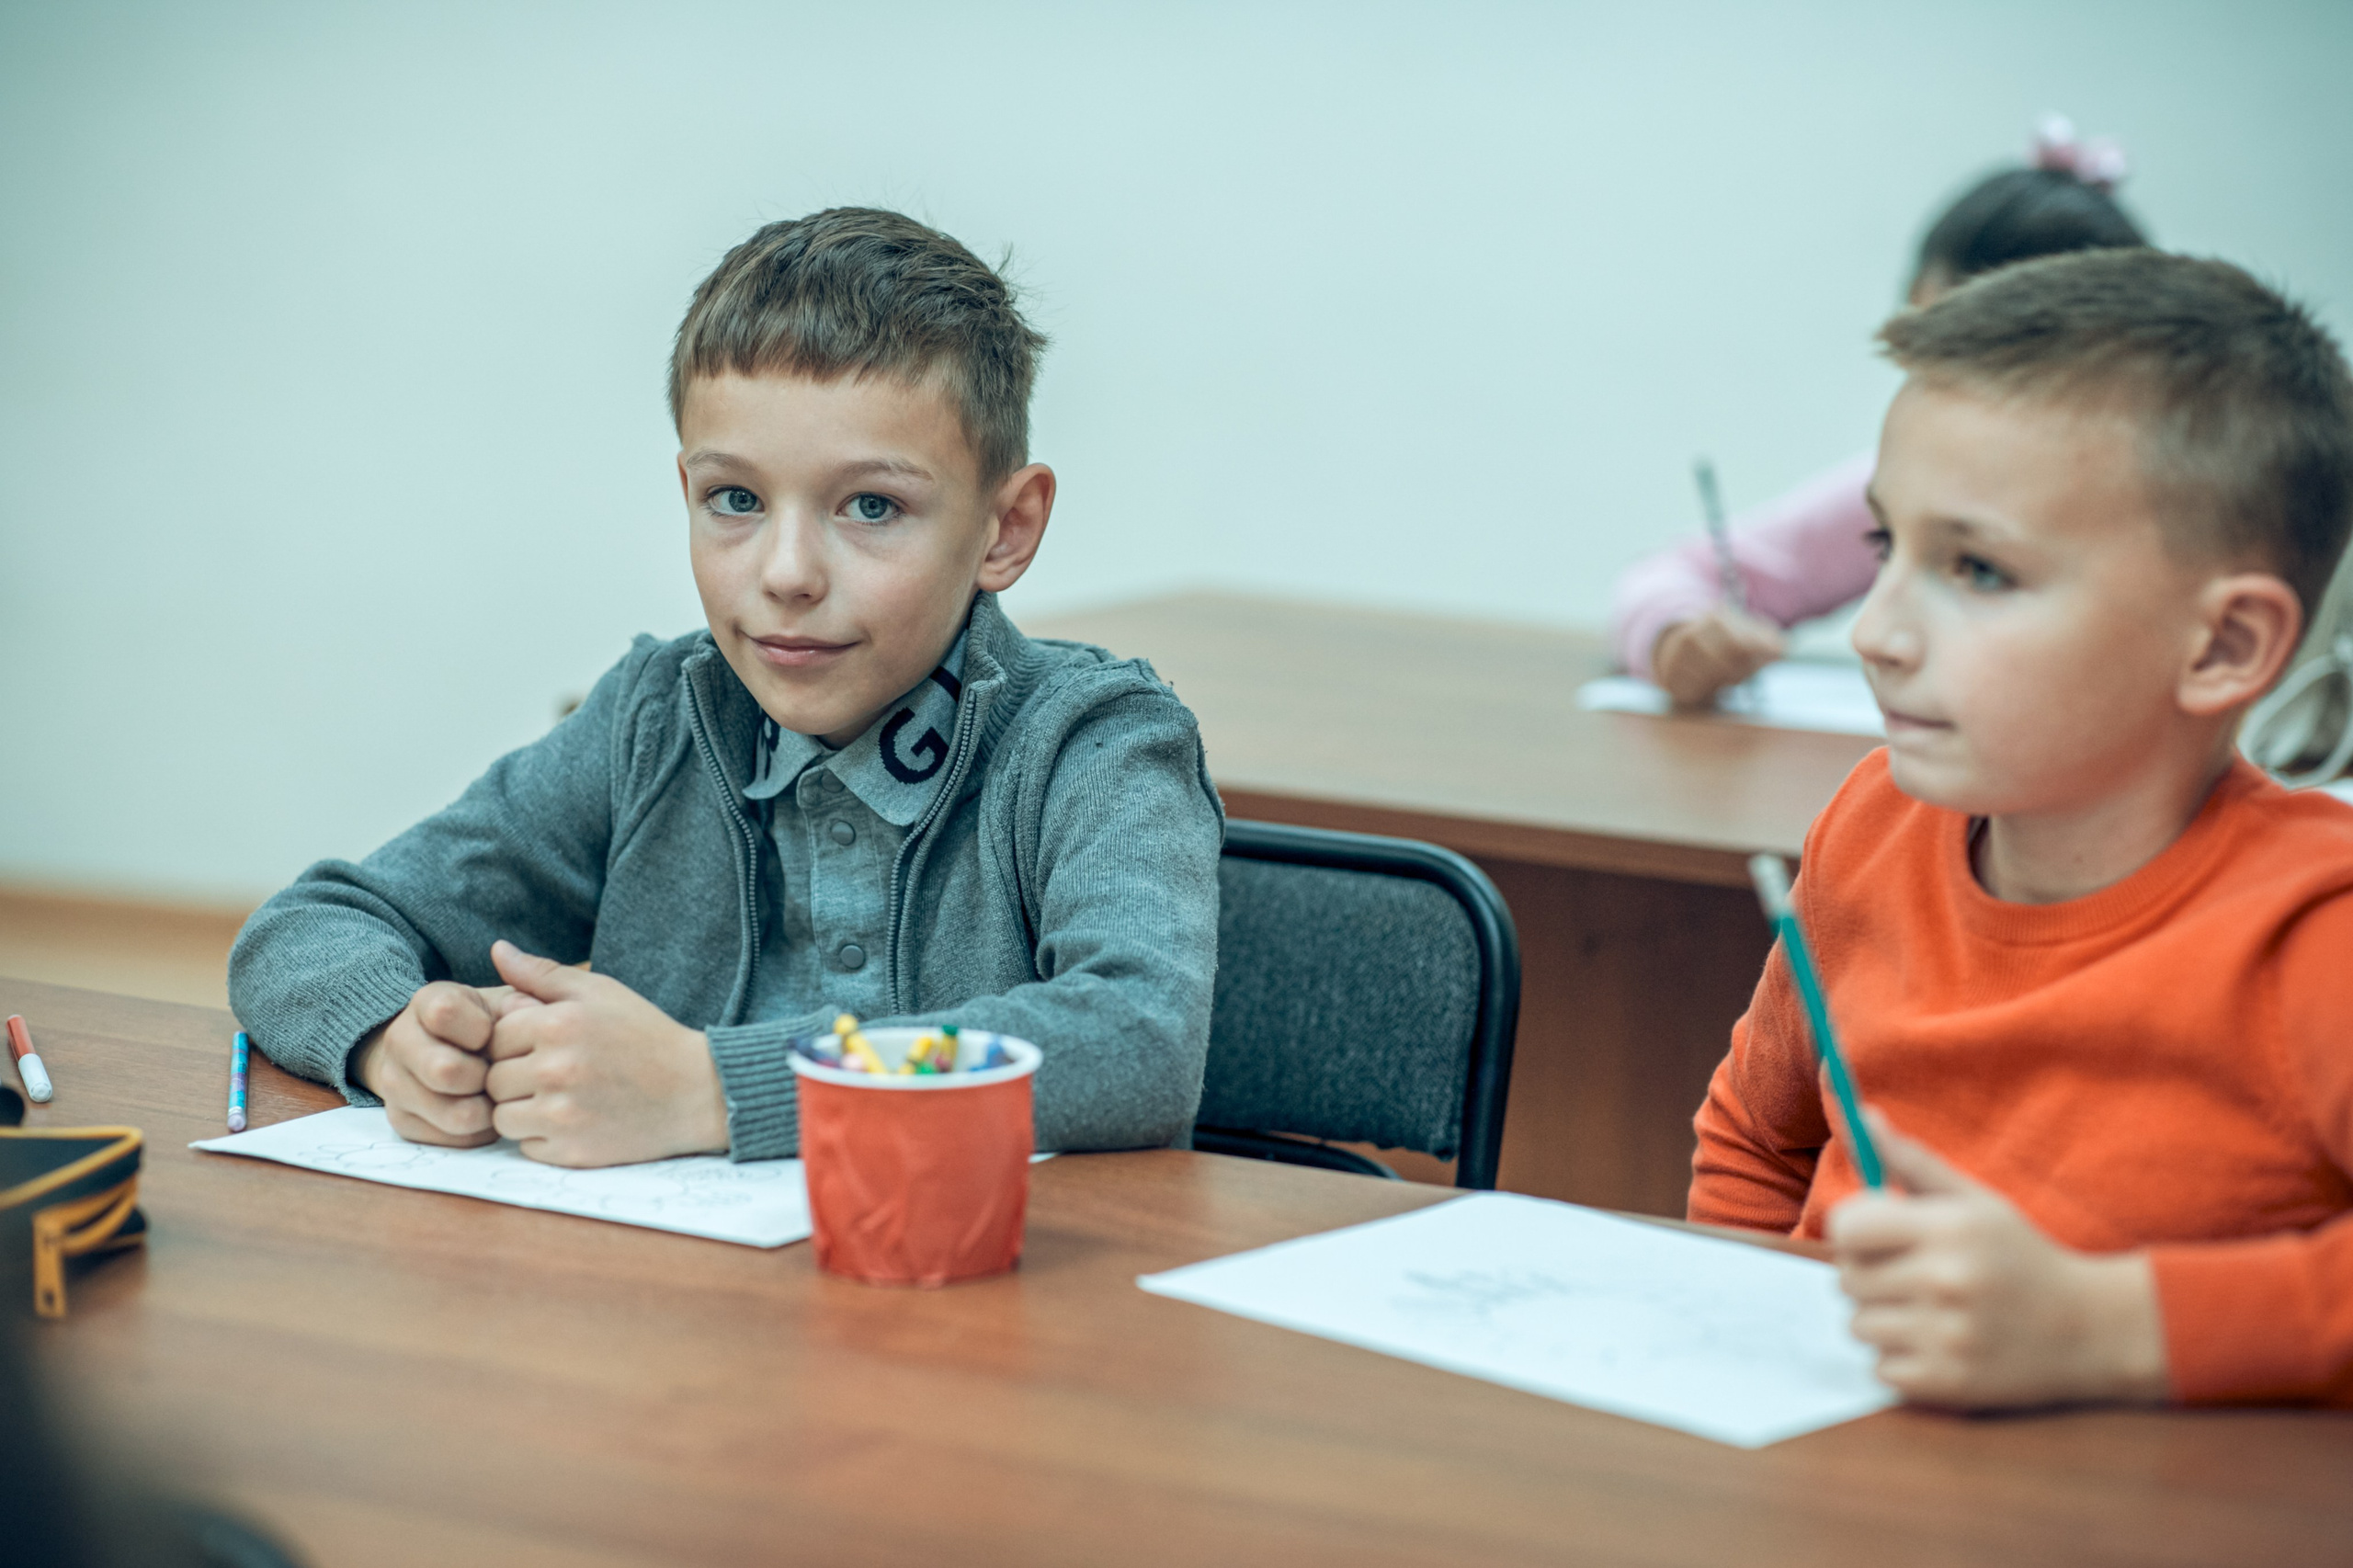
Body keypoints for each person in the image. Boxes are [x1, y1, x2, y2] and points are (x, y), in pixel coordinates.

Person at [227, 209, 1224, 1167]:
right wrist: (393, 1038)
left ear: (1004, 529)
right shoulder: (655, 719)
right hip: (689, 1316)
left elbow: (1137, 1038)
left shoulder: (1094, 745)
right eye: (736, 500)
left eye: (871, 505)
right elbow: (309, 925)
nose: (786, 572)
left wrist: (710, 1087)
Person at [1688, 246, 2353, 1409]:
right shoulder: (1872, 820)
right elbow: (1753, 1134)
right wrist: (1737, 1354)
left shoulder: (2313, 935)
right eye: (1886, 547)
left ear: (2223, 647)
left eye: (1978, 569)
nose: (1873, 632)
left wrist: (2108, 1328)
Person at [1613, 116, 2148, 707]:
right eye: (1922, 360)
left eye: (1977, 370)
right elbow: (1669, 575)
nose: (1873, 638)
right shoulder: (1912, 484)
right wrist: (1678, 637)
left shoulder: (2157, 520)